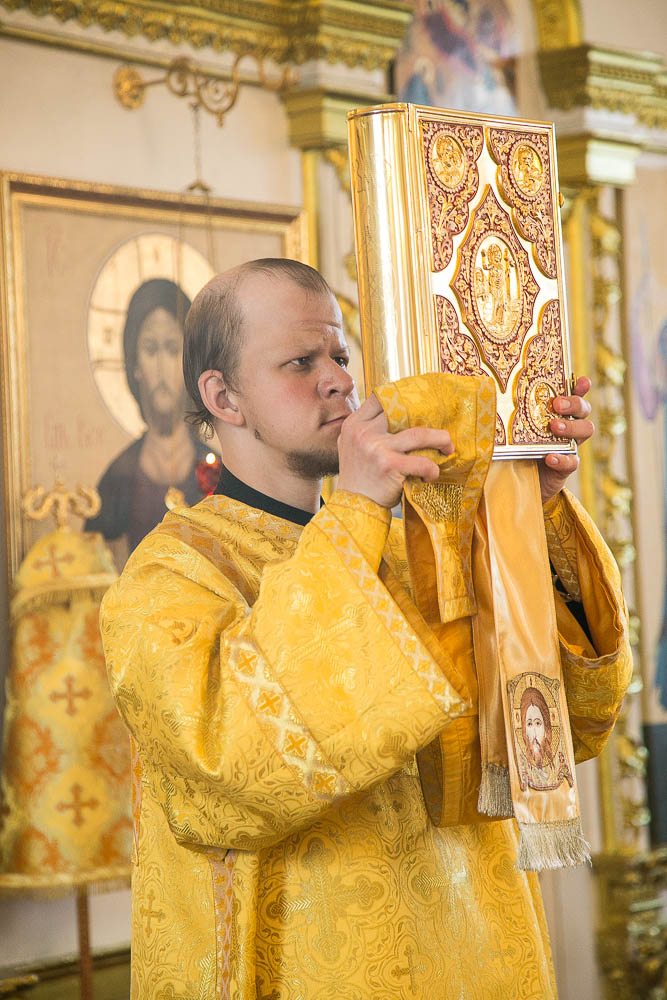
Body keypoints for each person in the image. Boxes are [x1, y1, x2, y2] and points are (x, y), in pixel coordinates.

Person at [100, 259, 632, 999]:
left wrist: (526, 509)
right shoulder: (167, 580)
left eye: (339, 354)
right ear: (222, 396)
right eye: (300, 362)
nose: (338, 381)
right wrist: (356, 508)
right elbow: (233, 766)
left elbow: (570, 721)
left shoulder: (412, 549)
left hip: (475, 958)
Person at [86, 278, 212, 561]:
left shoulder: (213, 471)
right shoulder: (117, 479)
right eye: (151, 349)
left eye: (173, 349)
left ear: (188, 365)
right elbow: (98, 569)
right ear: (135, 365)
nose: (162, 366)